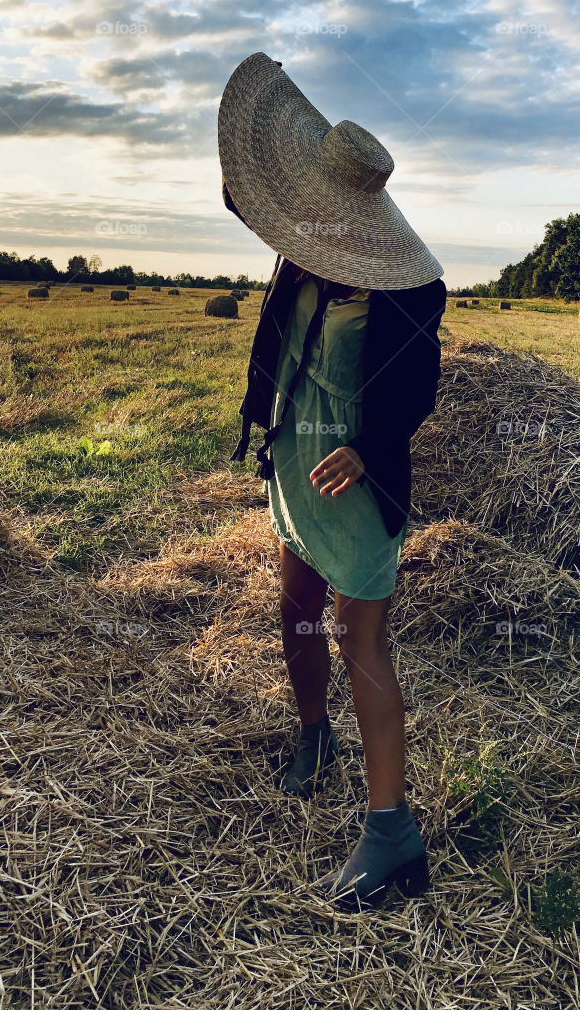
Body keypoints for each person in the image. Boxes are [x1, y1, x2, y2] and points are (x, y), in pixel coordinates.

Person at [218, 51, 447, 910]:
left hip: (356, 485)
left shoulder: (405, 295)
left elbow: (417, 389)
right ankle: (314, 735)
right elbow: (244, 196)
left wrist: (370, 445)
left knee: (363, 640)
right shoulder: (300, 259)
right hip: (291, 462)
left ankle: (392, 834)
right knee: (295, 610)